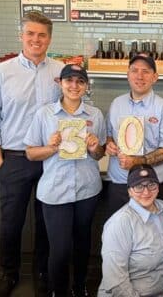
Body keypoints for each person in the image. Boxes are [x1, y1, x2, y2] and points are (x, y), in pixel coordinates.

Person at [0, 11, 64, 297]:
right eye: (30, 33)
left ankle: (42, 272)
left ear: (49, 38)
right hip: (14, 159)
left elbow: (73, 110)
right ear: (21, 36)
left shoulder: (60, 71)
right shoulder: (0, 73)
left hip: (50, 159)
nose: (36, 39)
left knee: (46, 221)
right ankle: (9, 273)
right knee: (11, 222)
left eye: (42, 34)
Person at [24, 64, 105, 297]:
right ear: (61, 83)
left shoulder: (95, 115)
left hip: (87, 190)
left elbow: (99, 154)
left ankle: (79, 288)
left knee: (82, 246)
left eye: (80, 81)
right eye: (69, 80)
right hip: (55, 191)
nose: (74, 86)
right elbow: (30, 153)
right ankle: (57, 291)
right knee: (59, 250)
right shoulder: (45, 114)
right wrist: (51, 147)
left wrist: (93, 147)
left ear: (86, 86)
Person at [105, 54, 163, 213]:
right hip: (121, 185)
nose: (139, 76)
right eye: (134, 70)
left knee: (157, 235)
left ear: (155, 77)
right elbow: (109, 135)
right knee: (120, 235)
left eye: (146, 71)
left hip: (153, 187)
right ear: (128, 74)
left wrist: (138, 161)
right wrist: (110, 144)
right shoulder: (116, 104)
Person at [98, 164, 163, 296]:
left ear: (158, 186)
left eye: (151, 185)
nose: (146, 192)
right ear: (129, 191)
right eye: (138, 186)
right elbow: (116, 282)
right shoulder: (119, 223)